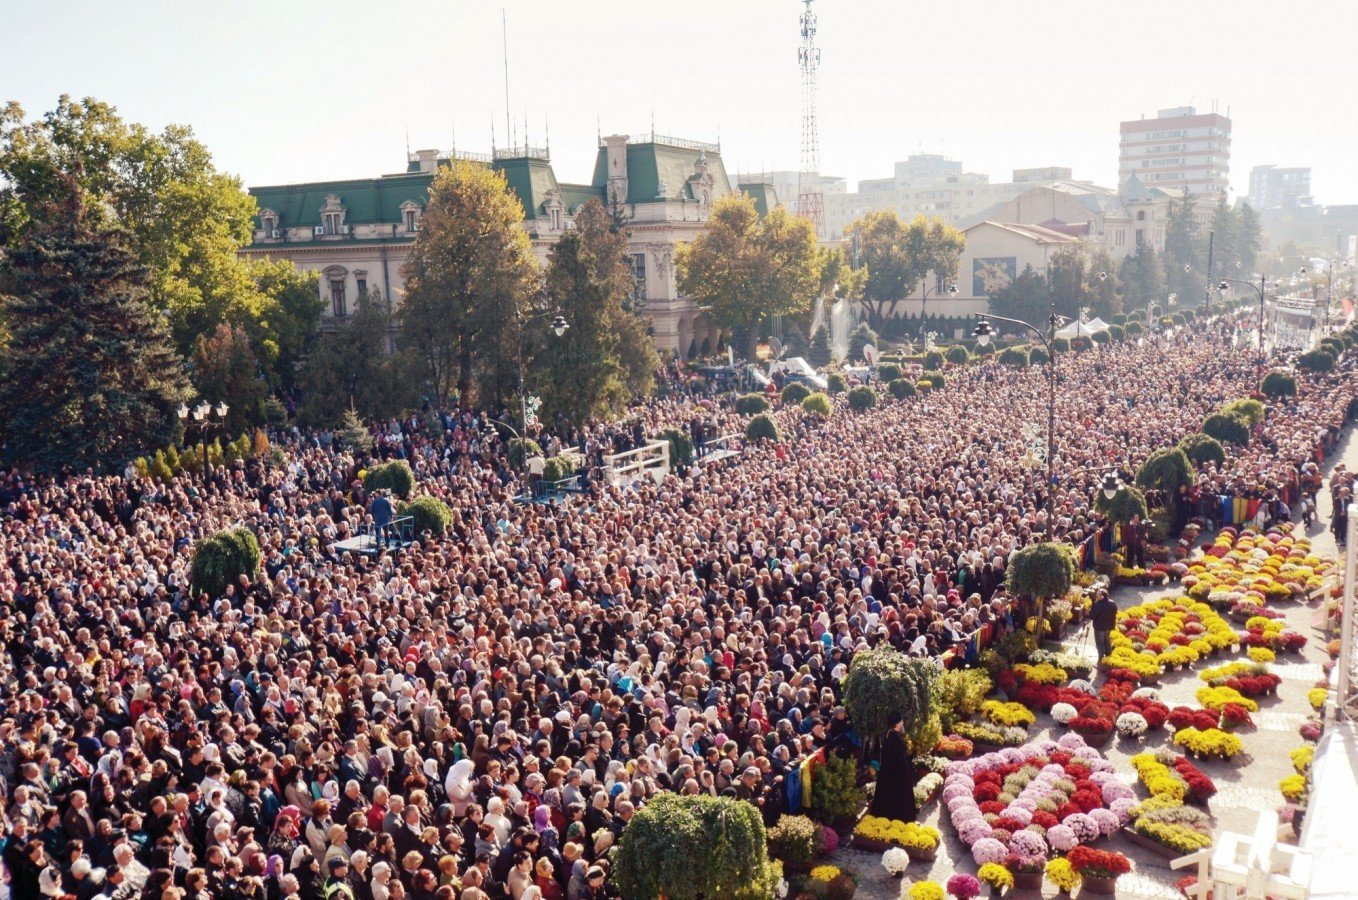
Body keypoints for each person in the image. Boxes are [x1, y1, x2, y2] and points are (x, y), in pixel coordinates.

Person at [866, 720, 916, 823]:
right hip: (895, 777)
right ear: (897, 724)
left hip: (890, 775)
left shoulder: (892, 736)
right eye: (902, 722)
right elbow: (897, 761)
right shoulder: (893, 740)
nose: (903, 724)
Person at [1090, 590, 1118, 665]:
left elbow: (1091, 616)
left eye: (1098, 595)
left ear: (1102, 596)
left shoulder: (1098, 605)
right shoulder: (1113, 603)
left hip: (1099, 627)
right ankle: (1108, 657)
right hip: (1109, 626)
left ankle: (1101, 660)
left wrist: (1094, 604)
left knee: (1100, 643)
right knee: (1107, 641)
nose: (1096, 596)